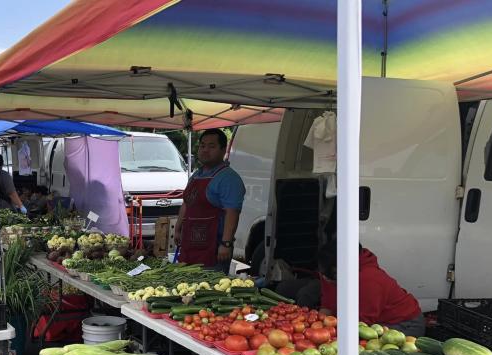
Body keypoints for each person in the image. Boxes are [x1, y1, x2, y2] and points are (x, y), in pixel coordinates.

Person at [277, 241, 425, 336]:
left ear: (343, 266)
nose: (325, 279)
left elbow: (362, 323)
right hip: (368, 319)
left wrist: (330, 333)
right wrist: (319, 326)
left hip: (404, 323)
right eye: (323, 275)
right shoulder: (331, 269)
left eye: (329, 276)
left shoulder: (369, 280)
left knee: (373, 345)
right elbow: (327, 305)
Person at [174, 128, 245, 273]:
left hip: (213, 249)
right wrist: (178, 229)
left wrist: (226, 243)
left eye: (212, 146)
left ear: (223, 150)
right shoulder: (196, 175)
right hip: (189, 246)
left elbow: (232, 212)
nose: (205, 150)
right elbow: (187, 203)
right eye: (202, 146)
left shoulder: (228, 178)